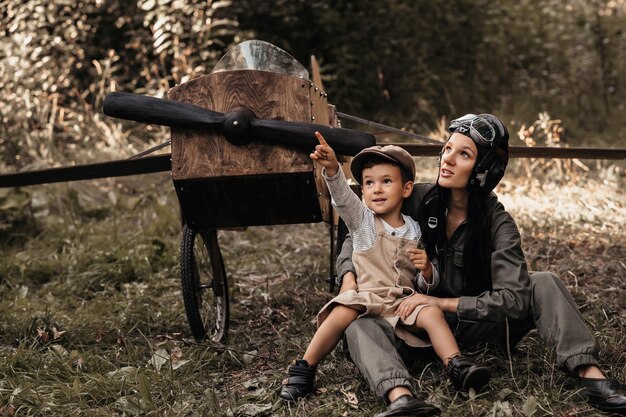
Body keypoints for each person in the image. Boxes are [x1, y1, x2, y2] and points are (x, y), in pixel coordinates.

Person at [336, 113, 626, 417]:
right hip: (412, 326)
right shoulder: (419, 198)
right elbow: (361, 229)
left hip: (476, 327)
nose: (447, 160)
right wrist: (348, 277)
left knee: (544, 281)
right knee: (358, 322)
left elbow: (513, 300)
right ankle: (401, 398)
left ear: (483, 170)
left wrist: (441, 302)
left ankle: (591, 377)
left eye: (463, 154)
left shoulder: (498, 223)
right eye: (447, 149)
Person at [279, 132, 488, 409]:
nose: (376, 189)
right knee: (343, 309)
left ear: (406, 189)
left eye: (386, 181)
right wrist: (331, 169)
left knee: (431, 312)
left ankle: (456, 364)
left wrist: (426, 270)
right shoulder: (363, 223)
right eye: (369, 183)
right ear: (362, 191)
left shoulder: (416, 228)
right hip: (368, 298)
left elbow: (426, 284)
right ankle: (304, 368)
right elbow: (342, 199)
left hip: (403, 300)